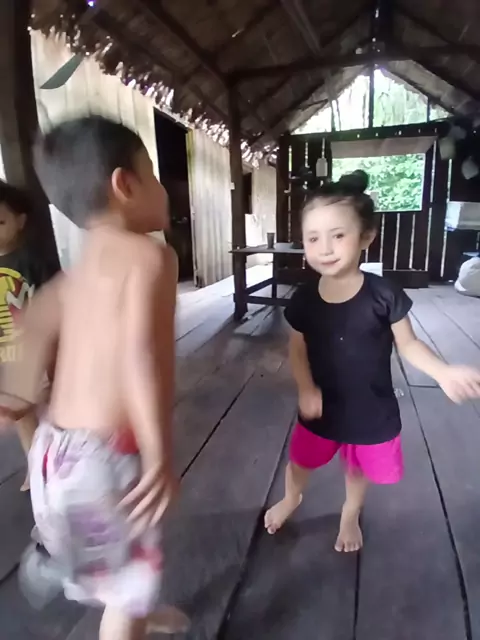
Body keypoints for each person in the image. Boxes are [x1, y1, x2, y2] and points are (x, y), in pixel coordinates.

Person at [0, 116, 188, 639]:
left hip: (51, 454)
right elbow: (138, 357)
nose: (163, 188)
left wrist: (11, 402)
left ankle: (63, 557)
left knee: (116, 558)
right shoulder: (150, 256)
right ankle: (126, 612)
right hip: (105, 458)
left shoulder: (71, 276)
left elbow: (31, 335)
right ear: (125, 185)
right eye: (153, 174)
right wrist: (160, 454)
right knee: (127, 593)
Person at [264, 170, 480, 552]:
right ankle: (291, 497)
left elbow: (409, 344)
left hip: (369, 406)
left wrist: (443, 371)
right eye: (313, 238)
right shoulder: (305, 298)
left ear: (366, 237)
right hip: (320, 406)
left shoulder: (383, 294)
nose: (325, 248)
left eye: (338, 235)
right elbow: (296, 348)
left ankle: (350, 514)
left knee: (357, 467)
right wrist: (305, 387)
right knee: (300, 461)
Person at [0, 180, 52, 491]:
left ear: (20, 221)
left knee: (49, 404)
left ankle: (58, 460)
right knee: (21, 415)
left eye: (0, 222)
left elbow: (52, 300)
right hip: (6, 355)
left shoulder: (31, 260)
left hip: (37, 348)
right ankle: (35, 465)